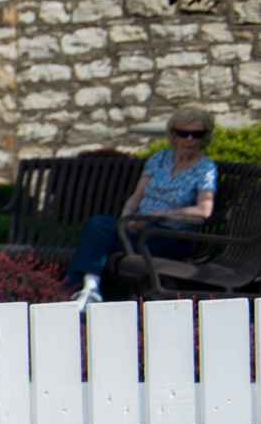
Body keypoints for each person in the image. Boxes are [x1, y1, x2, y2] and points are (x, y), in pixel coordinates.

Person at [68, 106, 219, 301]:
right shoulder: (159, 159)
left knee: (99, 242)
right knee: (99, 225)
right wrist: (126, 222)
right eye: (183, 133)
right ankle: (90, 288)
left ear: (205, 137)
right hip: (140, 229)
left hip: (170, 235)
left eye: (197, 134)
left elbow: (204, 210)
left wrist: (160, 215)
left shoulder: (205, 168)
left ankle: (80, 290)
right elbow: (136, 197)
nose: (190, 139)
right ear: (173, 134)